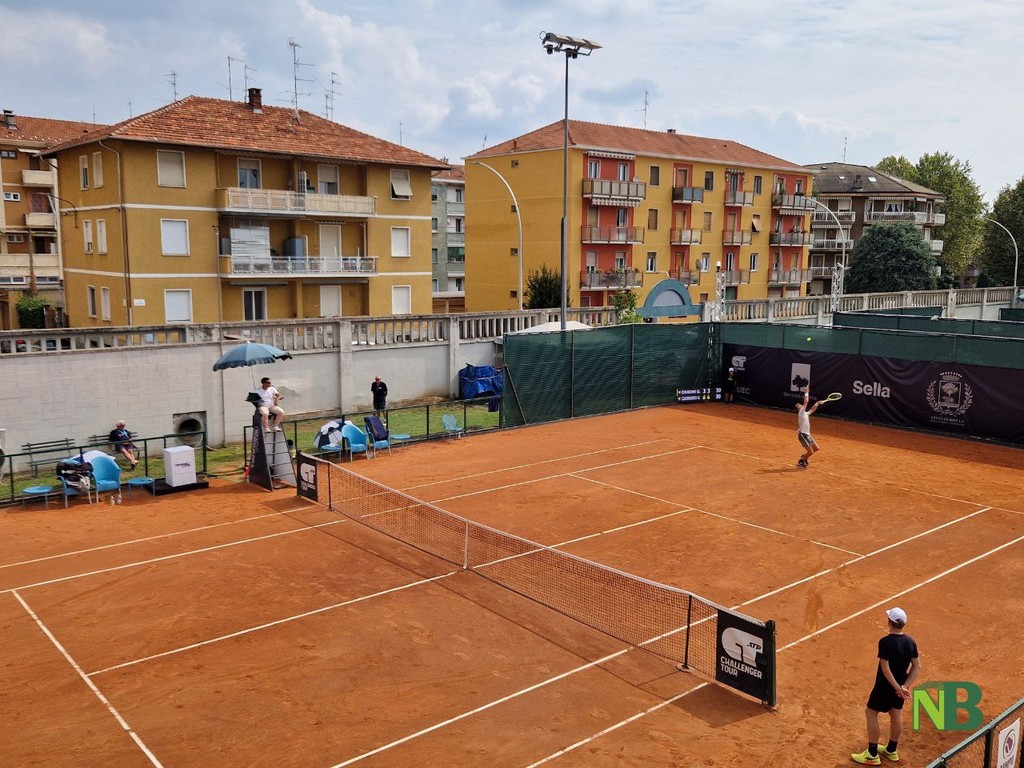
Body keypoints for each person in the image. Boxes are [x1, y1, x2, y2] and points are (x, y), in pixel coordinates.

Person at [851, 607, 921, 765]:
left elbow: (886, 669)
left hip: (885, 687)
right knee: (895, 714)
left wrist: (897, 688)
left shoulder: (885, 642)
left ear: (889, 622)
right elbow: (917, 667)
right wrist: (904, 687)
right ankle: (891, 750)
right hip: (900, 687)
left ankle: (872, 754)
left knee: (870, 713)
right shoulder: (910, 642)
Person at [795, 387, 822, 468]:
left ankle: (804, 457)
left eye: (800, 405)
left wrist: (817, 403)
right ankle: (801, 460)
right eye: (798, 406)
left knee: (816, 448)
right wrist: (806, 392)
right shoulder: (801, 412)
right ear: (798, 409)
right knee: (811, 452)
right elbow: (806, 401)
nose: (800, 405)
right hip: (803, 435)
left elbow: (812, 410)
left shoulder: (805, 413)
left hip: (807, 435)